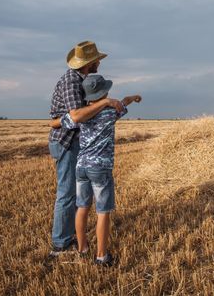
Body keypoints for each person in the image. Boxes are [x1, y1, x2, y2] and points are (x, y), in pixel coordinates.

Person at [51, 74, 142, 266]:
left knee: (82, 208)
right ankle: (101, 256)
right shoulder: (110, 113)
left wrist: (55, 121)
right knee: (102, 212)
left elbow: (57, 122)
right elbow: (122, 103)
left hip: (81, 166)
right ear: (105, 93)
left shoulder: (81, 115)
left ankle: (82, 249)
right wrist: (132, 98)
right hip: (100, 168)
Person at [48, 41, 123, 257]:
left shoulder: (80, 80)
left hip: (75, 143)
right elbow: (77, 116)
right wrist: (106, 102)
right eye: (97, 59)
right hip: (66, 141)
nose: (99, 62)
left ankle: (76, 241)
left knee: (77, 198)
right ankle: (61, 245)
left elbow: (68, 118)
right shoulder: (72, 82)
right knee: (67, 194)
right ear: (89, 63)